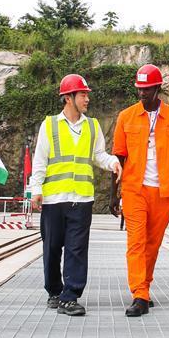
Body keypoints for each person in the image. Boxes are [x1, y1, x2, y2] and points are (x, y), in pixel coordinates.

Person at [30, 74, 121, 316]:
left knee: (77, 249)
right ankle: (54, 291)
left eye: (86, 94)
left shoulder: (92, 126)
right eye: (83, 94)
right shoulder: (49, 125)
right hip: (54, 200)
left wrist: (112, 162)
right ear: (68, 98)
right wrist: (36, 190)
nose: (87, 98)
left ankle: (70, 296)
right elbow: (40, 160)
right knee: (51, 249)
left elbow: (98, 155)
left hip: (81, 200)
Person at [110, 64, 169, 317]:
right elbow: (118, 157)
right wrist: (113, 194)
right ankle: (139, 295)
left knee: (152, 244)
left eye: (146, 89)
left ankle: (145, 288)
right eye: (139, 89)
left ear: (157, 88)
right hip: (134, 188)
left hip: (164, 191)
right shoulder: (126, 117)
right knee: (136, 243)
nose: (142, 94)